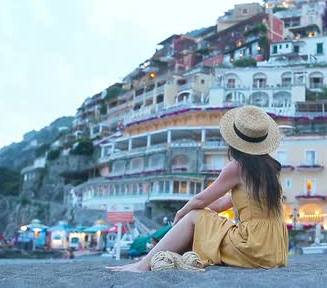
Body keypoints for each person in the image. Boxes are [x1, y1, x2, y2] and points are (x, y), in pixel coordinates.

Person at [108, 106, 288, 272]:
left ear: (234, 141)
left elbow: (200, 200)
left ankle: (141, 266)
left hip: (253, 247)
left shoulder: (237, 167)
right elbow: (222, 204)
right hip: (274, 250)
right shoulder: (271, 169)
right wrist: (198, 220)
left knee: (194, 215)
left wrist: (182, 214)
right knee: (198, 218)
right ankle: (155, 260)